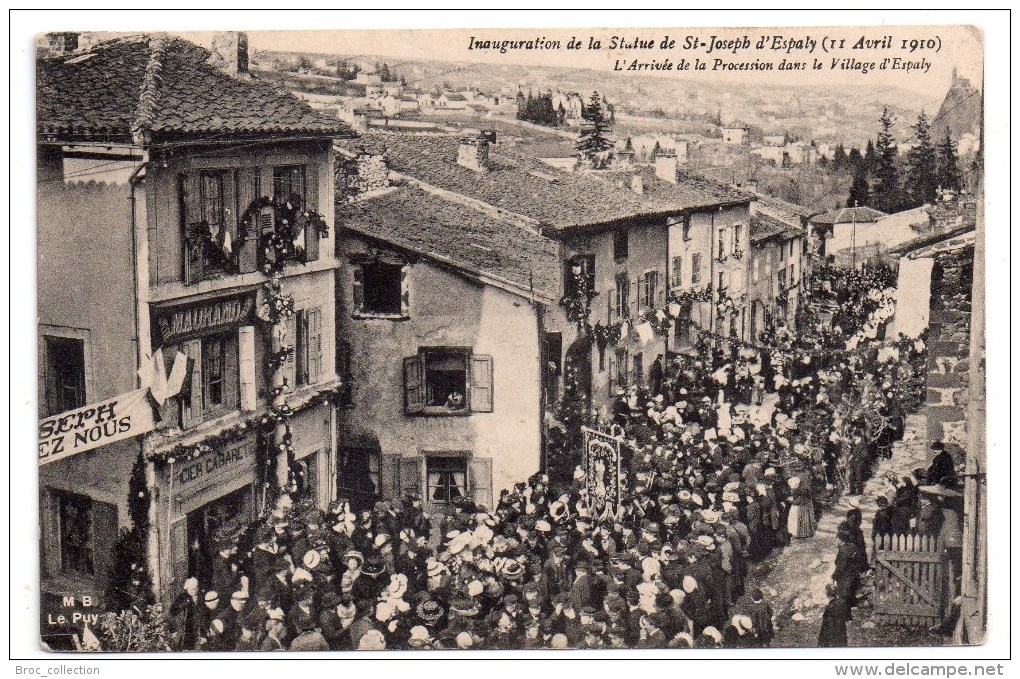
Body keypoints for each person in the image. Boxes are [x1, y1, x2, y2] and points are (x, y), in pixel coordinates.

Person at [818, 583, 851, 647]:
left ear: (827, 593)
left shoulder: (830, 607)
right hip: (842, 636)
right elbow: (848, 619)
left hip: (831, 638)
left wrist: (821, 641)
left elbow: (825, 626)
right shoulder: (843, 603)